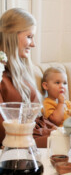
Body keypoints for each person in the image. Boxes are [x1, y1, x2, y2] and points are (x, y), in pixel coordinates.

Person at [0, 8, 56, 148]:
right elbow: (4, 132)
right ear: (12, 35)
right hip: (21, 142)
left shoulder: (19, 69)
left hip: (37, 134)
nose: (33, 44)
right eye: (29, 37)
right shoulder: (1, 74)